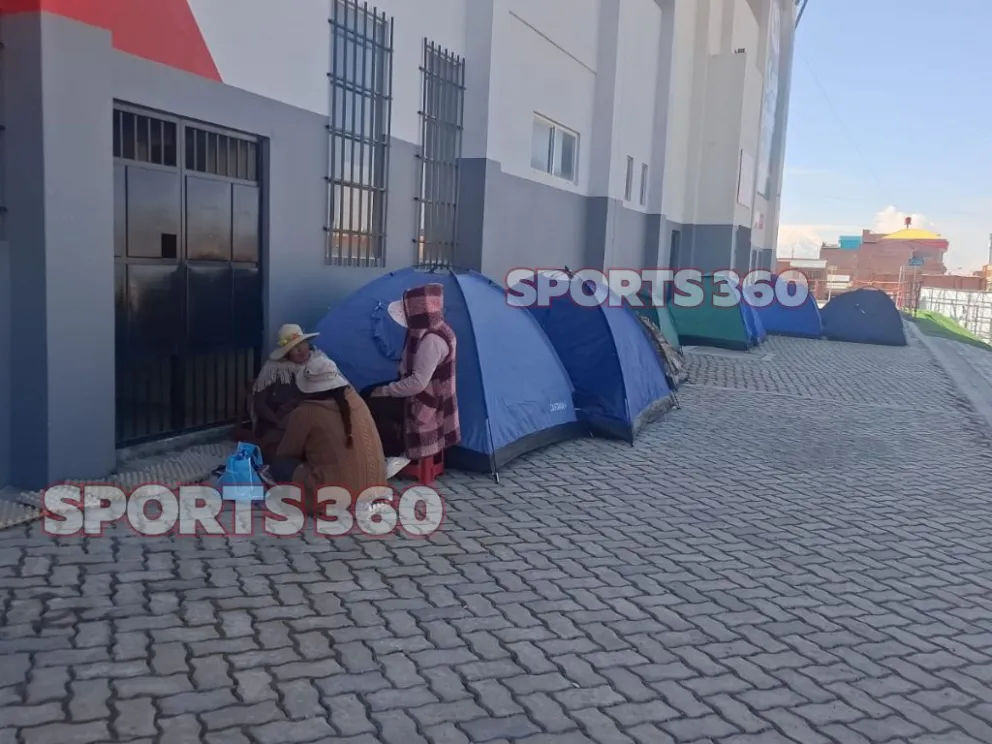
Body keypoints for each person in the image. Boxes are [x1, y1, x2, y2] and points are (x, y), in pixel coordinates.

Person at [270, 356, 387, 512]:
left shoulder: (306, 412)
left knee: (280, 466)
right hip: (376, 486)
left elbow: (286, 452)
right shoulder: (356, 400)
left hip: (334, 495)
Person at [366, 283, 461, 462]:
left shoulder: (432, 341)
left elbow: (418, 383)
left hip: (425, 403)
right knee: (367, 391)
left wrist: (385, 391)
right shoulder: (433, 328)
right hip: (422, 392)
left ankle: (393, 454)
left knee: (372, 403)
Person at [247, 324, 329, 461]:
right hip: (277, 423)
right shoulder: (273, 368)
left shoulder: (320, 362)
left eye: (302, 344)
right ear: (286, 352)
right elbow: (259, 404)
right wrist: (278, 421)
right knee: (278, 453)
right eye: (294, 347)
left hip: (309, 420)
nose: (300, 350)